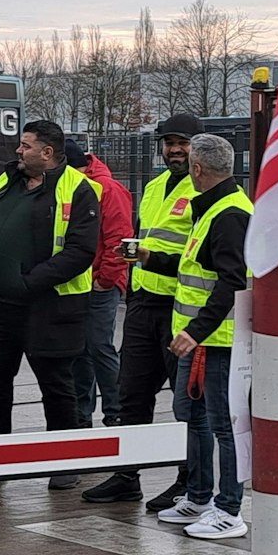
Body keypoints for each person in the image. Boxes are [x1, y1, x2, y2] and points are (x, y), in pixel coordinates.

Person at [0, 120, 100, 488]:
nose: (18, 152)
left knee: (55, 385)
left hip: (50, 306)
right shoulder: (7, 180)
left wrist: (27, 284)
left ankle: (65, 463)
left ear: (47, 153)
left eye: (25, 146)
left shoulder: (79, 190)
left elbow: (79, 252)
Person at [83, 114, 198, 507]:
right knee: (131, 395)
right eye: (168, 142)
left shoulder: (205, 191)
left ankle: (190, 480)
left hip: (179, 308)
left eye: (182, 142)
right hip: (142, 303)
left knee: (186, 400)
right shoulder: (153, 187)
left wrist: (151, 257)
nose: (174, 149)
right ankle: (126, 475)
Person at [155, 134, 254, 538]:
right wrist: (152, 258)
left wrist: (196, 331)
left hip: (219, 341)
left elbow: (231, 283)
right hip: (203, 340)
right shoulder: (214, 207)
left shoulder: (229, 214)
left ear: (197, 169)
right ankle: (198, 497)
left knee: (224, 426)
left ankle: (229, 510)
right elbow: (197, 269)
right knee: (191, 415)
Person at [65, 138, 134, 429]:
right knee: (82, 349)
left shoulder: (106, 189)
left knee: (98, 347)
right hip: (84, 282)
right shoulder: (88, 184)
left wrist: (105, 280)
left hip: (99, 283)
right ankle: (84, 415)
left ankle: (116, 411)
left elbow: (119, 238)